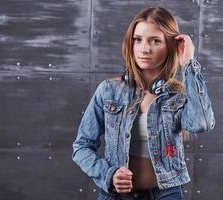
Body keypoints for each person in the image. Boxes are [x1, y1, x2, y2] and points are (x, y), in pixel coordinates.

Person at [72, 6, 215, 200]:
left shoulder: (179, 95)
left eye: (155, 41)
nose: (144, 49)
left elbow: (201, 124)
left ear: (171, 46)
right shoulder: (108, 91)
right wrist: (108, 174)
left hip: (166, 194)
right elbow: (82, 146)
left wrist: (189, 63)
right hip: (115, 195)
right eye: (138, 40)